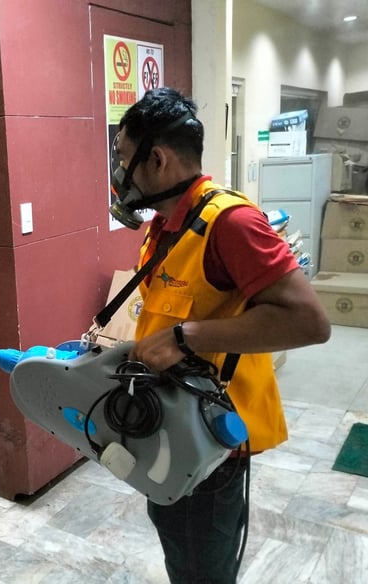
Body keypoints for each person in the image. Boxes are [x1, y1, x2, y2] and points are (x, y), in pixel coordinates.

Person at [111, 88, 331, 583]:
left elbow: (310, 322)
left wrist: (186, 339)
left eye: (124, 158)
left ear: (158, 159)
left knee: (201, 564)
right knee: (178, 545)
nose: (119, 173)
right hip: (169, 422)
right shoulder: (169, 225)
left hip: (211, 441)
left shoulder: (231, 223)